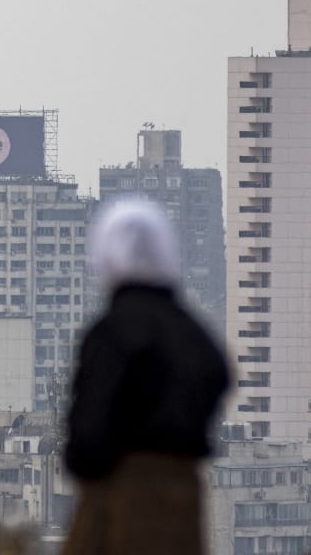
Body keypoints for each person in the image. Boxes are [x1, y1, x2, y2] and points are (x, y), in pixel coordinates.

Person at [62, 197, 230, 555]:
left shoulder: (112, 331)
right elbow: (219, 374)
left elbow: (87, 439)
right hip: (185, 498)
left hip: (119, 499)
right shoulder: (192, 332)